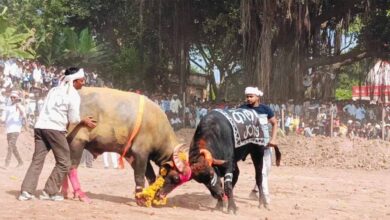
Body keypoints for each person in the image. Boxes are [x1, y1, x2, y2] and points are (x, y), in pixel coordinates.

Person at [18, 67, 96, 201]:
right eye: (82, 81)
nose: (83, 83)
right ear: (74, 81)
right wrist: (83, 121)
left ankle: (26, 192)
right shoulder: (73, 95)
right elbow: (73, 119)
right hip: (54, 129)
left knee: (37, 160)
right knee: (65, 161)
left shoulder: (53, 90)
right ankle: (49, 192)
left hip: (40, 127)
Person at [240, 86, 278, 209]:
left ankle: (256, 191)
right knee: (262, 172)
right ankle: (265, 198)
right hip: (253, 146)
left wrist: (273, 139)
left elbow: (274, 123)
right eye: (247, 96)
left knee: (266, 170)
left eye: (251, 96)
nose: (248, 99)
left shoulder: (265, 109)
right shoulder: (242, 109)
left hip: (266, 144)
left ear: (257, 97)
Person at [3, 91, 25, 167]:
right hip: (8, 129)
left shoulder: (20, 106)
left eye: (14, 97)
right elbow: (4, 118)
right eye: (11, 97)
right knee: (13, 147)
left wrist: (18, 107)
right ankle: (20, 162)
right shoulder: (8, 107)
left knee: (10, 146)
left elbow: (23, 115)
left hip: (16, 129)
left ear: (17, 98)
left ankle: (6, 164)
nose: (12, 98)